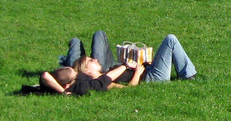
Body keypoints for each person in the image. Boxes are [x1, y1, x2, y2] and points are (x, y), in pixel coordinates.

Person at [48, 31, 197, 88]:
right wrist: (138, 73)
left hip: (148, 69)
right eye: (91, 61)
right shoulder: (103, 81)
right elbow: (128, 89)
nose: (95, 59)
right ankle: (188, 75)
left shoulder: (104, 73)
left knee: (80, 39)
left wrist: (142, 65)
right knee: (170, 39)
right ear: (87, 70)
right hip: (153, 78)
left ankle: (65, 69)